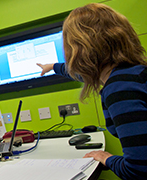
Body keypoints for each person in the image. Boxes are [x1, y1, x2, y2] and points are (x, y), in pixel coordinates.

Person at [37, 3, 147, 180]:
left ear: (79, 49)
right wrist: (53, 67)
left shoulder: (120, 88)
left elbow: (138, 171)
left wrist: (107, 158)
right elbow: (81, 73)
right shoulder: (134, 73)